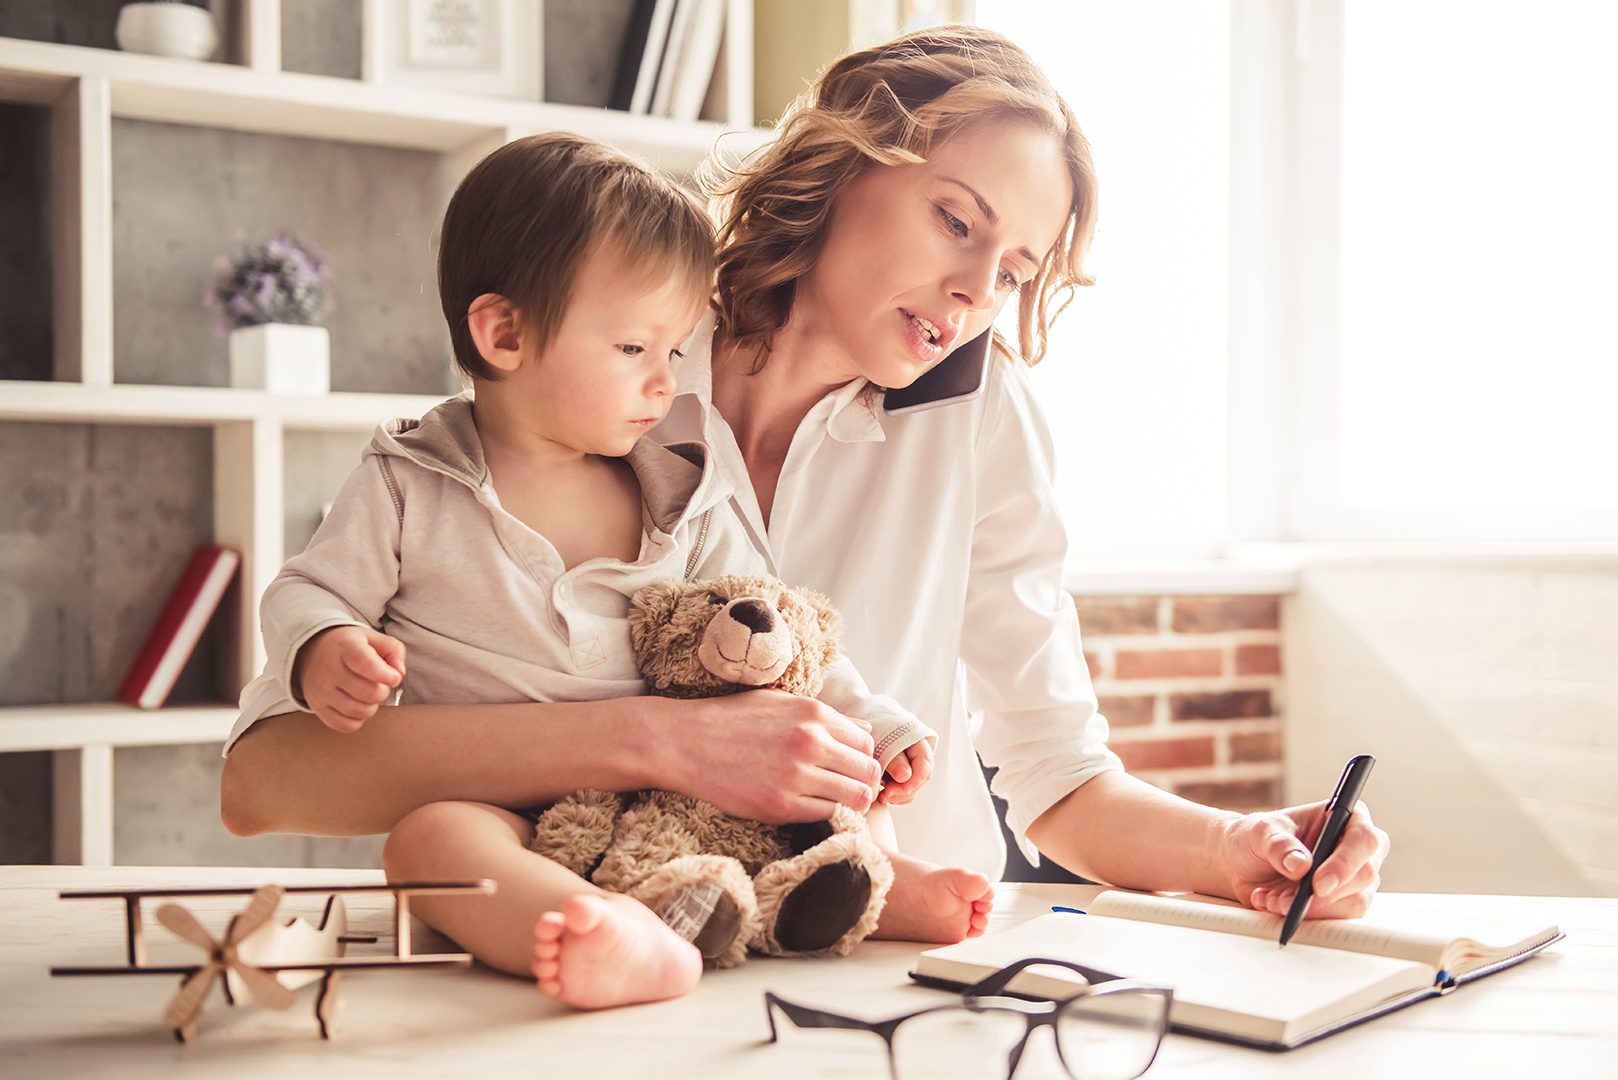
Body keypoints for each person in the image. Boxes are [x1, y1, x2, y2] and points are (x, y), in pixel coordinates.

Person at [222, 25, 1386, 967]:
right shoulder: (617, 354)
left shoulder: (981, 419)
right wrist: (665, 743)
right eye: (956, 220)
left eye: (1015, 270)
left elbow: (1058, 775)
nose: (977, 290)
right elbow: (270, 776)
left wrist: (1242, 846)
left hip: (896, 963)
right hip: (633, 949)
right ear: (843, 162)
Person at [224, 132, 941, 1010]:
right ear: (505, 333)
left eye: (675, 352)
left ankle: (873, 881)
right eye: (636, 350)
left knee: (820, 784)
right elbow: (307, 589)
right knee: (424, 845)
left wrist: (874, 722)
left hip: (670, 808)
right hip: (499, 806)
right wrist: (324, 644)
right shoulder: (410, 481)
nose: (665, 383)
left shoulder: (685, 484)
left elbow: (778, 624)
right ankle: (609, 935)